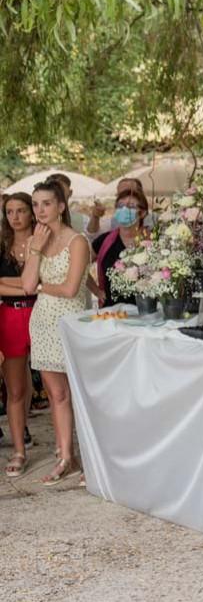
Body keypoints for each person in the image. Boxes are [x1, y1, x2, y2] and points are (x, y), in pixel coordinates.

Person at [23, 180, 90, 485]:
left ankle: (92, 459)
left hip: (71, 324)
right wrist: (36, 250)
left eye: (46, 203)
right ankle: (66, 457)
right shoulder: (34, 241)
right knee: (56, 395)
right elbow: (27, 285)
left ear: (61, 206)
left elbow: (71, 288)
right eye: (35, 204)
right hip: (42, 323)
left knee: (80, 394)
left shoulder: (77, 241)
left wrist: (40, 286)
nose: (40, 210)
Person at [0, 193, 35, 477]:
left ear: (31, 212)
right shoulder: (1, 246)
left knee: (57, 387)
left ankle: (65, 449)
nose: (15, 217)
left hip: (43, 312)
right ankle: (19, 451)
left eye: (21, 210)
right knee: (15, 389)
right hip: (10, 316)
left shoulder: (44, 241)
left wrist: (9, 283)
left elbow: (49, 279)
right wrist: (28, 285)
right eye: (9, 211)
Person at [88, 188, 150, 307]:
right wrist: (97, 291)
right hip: (111, 312)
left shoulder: (153, 241)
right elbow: (80, 268)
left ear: (142, 213)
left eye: (131, 206)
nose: (124, 210)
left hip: (147, 310)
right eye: (120, 206)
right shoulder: (103, 241)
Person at [87, 177, 152, 234]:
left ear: (140, 195)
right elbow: (93, 234)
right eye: (120, 195)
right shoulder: (114, 221)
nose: (123, 198)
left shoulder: (154, 221)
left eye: (128, 193)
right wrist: (95, 217)